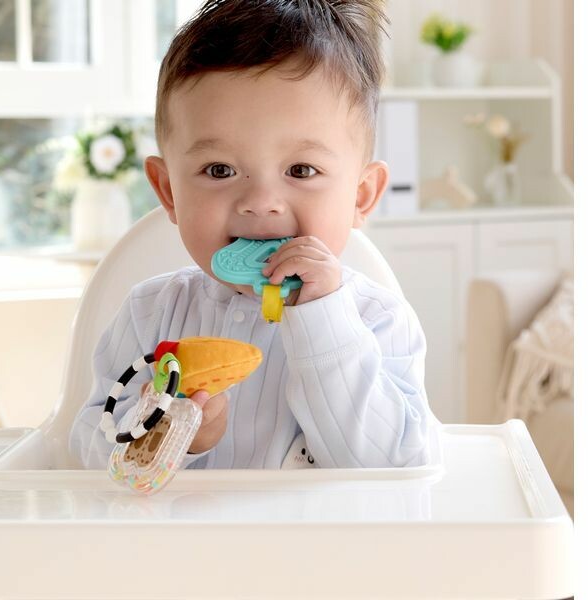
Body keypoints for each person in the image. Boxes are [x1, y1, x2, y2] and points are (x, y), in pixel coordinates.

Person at [69, 0, 438, 470]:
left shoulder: (379, 319)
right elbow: (89, 450)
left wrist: (323, 320)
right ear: (169, 191)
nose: (261, 202)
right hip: (181, 523)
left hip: (322, 523)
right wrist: (170, 434)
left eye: (301, 170)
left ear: (360, 196)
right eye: (219, 169)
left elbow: (397, 466)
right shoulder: (150, 314)